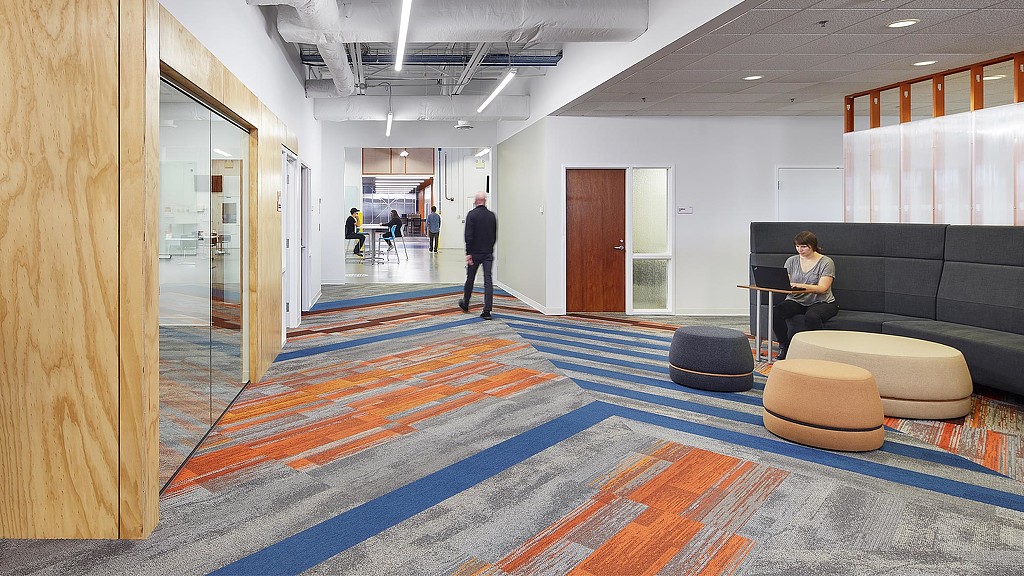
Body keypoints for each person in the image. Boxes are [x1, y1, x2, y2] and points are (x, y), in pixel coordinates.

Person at [772, 230, 838, 360]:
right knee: (776, 313)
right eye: (797, 246)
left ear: (812, 246)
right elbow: (787, 282)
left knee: (812, 316)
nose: (799, 250)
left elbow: (823, 288)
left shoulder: (826, 262)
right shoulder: (791, 261)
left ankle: (818, 349)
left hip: (821, 302)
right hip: (796, 300)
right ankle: (784, 345)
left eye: (803, 246)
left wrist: (800, 286)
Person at [458, 192, 497, 320]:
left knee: (470, 278)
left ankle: (466, 303)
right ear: (485, 201)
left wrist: (468, 253)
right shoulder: (492, 216)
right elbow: (494, 235)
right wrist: (489, 249)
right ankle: (487, 311)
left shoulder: (471, 215)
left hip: (474, 253)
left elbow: (468, 235)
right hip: (487, 253)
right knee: (488, 281)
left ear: (476, 201)